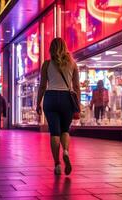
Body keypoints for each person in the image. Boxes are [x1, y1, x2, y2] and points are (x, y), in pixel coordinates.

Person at [36, 38, 80, 176]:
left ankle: (57, 165)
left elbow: (42, 86)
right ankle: (65, 151)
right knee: (65, 130)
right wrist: (77, 105)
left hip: (51, 98)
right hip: (67, 98)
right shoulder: (72, 64)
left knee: (54, 132)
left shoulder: (47, 64)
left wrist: (38, 102)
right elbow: (77, 87)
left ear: (51, 48)